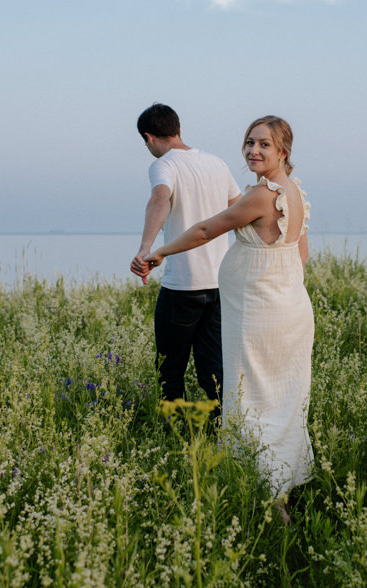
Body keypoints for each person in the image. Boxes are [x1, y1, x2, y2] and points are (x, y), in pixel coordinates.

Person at [144, 115, 314, 518]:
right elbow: (300, 257)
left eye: (264, 145)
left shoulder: (261, 195)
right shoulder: (296, 194)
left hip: (258, 314)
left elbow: (206, 230)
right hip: (288, 309)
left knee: (253, 397)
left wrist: (160, 252)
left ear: (283, 152)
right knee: (281, 398)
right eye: (249, 143)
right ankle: (286, 481)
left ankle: (272, 500)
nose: (253, 151)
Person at [130, 103, 242, 407]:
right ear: (178, 129)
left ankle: (175, 433)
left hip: (182, 286)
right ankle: (223, 432)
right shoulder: (217, 163)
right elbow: (239, 210)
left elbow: (159, 198)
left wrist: (145, 249)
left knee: (170, 369)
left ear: (149, 137)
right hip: (220, 284)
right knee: (215, 369)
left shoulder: (164, 164)